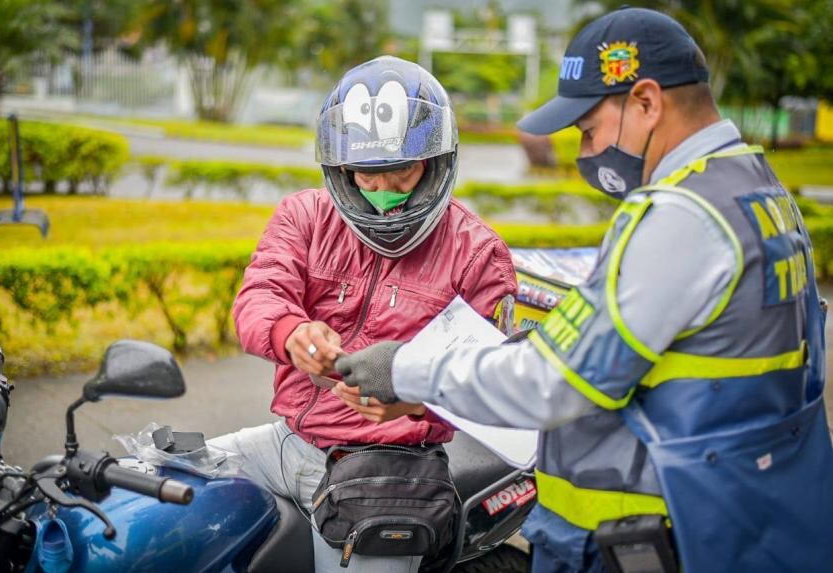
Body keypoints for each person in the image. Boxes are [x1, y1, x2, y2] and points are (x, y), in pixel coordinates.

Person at [336, 8, 833, 573]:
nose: (586, 151)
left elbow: (553, 382)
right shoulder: (758, 190)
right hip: (746, 513)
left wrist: (405, 369)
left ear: (646, 103)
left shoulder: (682, 215)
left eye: (590, 129)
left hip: (667, 532)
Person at [211, 55, 517, 573]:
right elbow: (259, 296)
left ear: (436, 163)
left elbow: (494, 380)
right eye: (365, 177)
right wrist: (291, 332)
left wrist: (415, 406)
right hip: (287, 442)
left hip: (392, 472)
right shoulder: (304, 216)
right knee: (149, 487)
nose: (382, 195)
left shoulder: (477, 252)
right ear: (341, 169)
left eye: (400, 173)